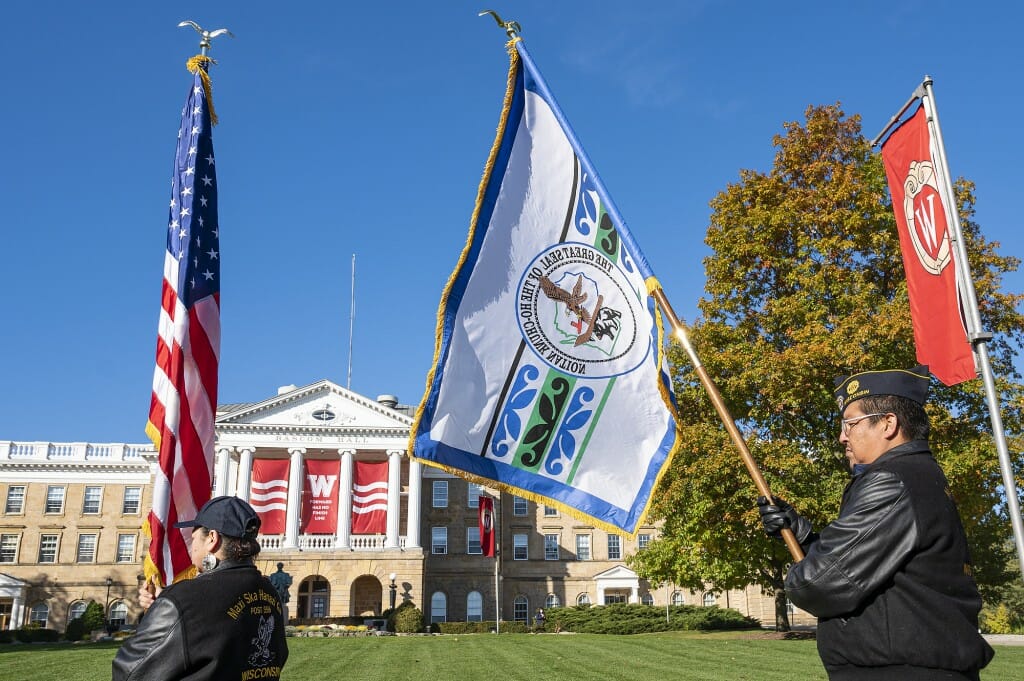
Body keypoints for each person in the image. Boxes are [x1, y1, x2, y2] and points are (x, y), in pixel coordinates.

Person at [758, 366, 993, 680]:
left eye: (850, 424)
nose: (842, 436)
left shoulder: (892, 481)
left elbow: (819, 583)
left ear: (888, 423)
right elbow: (873, 573)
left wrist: (800, 576)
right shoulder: (916, 475)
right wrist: (801, 535)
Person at [113, 496, 289, 680]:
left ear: (212, 539)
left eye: (194, 537)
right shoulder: (270, 593)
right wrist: (162, 608)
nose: (191, 546)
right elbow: (277, 656)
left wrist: (166, 608)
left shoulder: (182, 599)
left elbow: (130, 671)